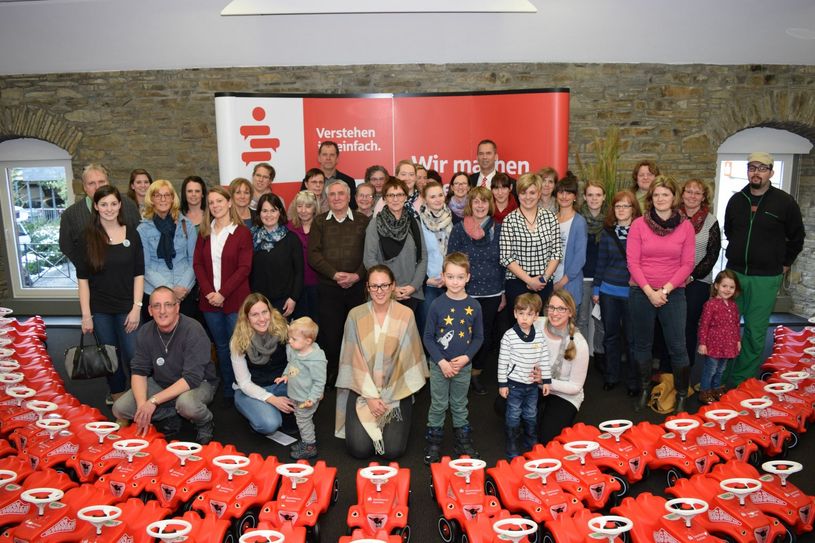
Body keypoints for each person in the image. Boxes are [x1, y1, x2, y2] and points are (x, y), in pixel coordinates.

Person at [723, 152, 804, 387]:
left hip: (766, 278)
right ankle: (722, 376)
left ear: (771, 172)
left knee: (755, 332)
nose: (756, 172)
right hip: (735, 275)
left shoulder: (784, 202)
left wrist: (785, 263)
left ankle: (741, 381)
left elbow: (797, 237)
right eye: (751, 167)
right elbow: (730, 231)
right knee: (727, 329)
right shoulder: (737, 200)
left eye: (762, 168)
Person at [335, 264, 428, 459]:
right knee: (359, 450)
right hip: (362, 389)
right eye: (375, 286)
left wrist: (387, 395)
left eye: (384, 285)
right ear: (367, 287)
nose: (380, 291)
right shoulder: (355, 315)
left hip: (396, 389)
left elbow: (408, 358)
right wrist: (370, 397)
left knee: (392, 451)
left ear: (393, 286)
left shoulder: (406, 314)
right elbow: (351, 359)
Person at [112, 286, 218, 443]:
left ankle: (205, 422)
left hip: (199, 383)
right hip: (163, 382)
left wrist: (153, 401)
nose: (162, 311)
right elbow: (139, 371)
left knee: (187, 404)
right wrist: (143, 405)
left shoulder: (193, 329)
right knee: (119, 408)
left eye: (168, 304)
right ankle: (171, 412)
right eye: (157, 306)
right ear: (150, 310)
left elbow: (191, 378)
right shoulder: (145, 331)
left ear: (177, 307)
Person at [627, 175, 695, 414]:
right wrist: (649, 292)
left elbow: (687, 264)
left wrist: (664, 290)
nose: (660, 199)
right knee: (642, 345)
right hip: (641, 291)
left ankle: (682, 395)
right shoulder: (638, 225)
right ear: (650, 198)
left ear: (673, 197)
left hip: (673, 293)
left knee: (678, 347)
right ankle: (646, 388)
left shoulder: (685, 226)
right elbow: (633, 262)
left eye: (665, 194)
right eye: (656, 195)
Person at [77, 185, 144, 405]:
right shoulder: (87, 238)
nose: (109, 209)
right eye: (104, 204)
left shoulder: (132, 234)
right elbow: (83, 281)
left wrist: (136, 307)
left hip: (128, 308)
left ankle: (139, 400)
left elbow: (139, 274)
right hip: (101, 310)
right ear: (95, 206)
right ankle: (118, 401)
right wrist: (86, 315)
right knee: (110, 358)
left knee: (135, 355)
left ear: (120, 205)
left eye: (113, 204)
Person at [422, 252, 484, 464]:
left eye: (459, 277)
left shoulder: (474, 306)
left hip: (463, 366)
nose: (455, 282)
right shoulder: (437, 305)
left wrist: (466, 358)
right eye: (450, 276)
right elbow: (428, 338)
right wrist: (441, 362)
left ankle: (463, 440)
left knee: (459, 403)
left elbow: (478, 337)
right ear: (443, 276)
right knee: (438, 404)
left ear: (468, 277)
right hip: (440, 365)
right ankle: (434, 442)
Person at [193, 185, 252, 403]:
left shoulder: (242, 232)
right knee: (220, 346)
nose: (215, 206)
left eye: (219, 201)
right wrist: (210, 292)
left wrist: (223, 294)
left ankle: (243, 387)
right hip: (210, 303)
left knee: (237, 346)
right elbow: (197, 264)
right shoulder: (204, 231)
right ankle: (229, 388)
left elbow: (244, 268)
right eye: (211, 203)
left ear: (229, 203)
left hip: (235, 300)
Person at [308, 179, 369, 383]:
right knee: (331, 335)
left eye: (340, 194)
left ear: (349, 196)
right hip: (329, 289)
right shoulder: (319, 221)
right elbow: (313, 255)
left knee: (358, 335)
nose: (336, 198)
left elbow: (370, 254)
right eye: (332, 194)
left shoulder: (363, 221)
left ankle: (358, 374)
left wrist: (357, 275)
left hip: (357, 288)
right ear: (327, 198)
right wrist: (334, 274)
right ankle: (332, 373)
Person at [448, 186, 505, 395]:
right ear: (470, 205)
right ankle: (460, 374)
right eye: (476, 201)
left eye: (484, 201)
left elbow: (504, 264)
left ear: (489, 204)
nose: (480, 205)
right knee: (463, 335)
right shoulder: (458, 229)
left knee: (484, 336)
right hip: (465, 293)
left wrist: (503, 292)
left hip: (492, 292)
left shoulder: (499, 229)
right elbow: (451, 261)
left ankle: (476, 374)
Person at [592, 191, 641, 394]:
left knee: (632, 339)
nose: (621, 210)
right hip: (608, 291)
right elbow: (601, 262)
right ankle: (611, 376)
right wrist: (596, 288)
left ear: (633, 209)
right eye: (618, 206)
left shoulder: (641, 232)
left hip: (632, 292)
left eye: (626, 206)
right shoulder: (607, 233)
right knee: (610, 336)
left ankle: (633, 382)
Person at [229, 293, 293, 436]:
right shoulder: (238, 341)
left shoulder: (284, 329)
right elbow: (244, 383)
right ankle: (263, 411)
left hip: (281, 385)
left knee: (307, 400)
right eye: (255, 315)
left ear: (270, 312)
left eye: (265, 312)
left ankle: (272, 410)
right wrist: (272, 400)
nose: (262, 319)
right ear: (246, 318)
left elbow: (296, 361)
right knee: (269, 425)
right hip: (250, 390)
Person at [499, 172, 562, 317]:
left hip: (544, 284)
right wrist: (529, 280)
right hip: (517, 283)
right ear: (517, 193)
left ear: (539, 193)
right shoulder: (510, 220)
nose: (528, 197)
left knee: (543, 329)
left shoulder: (550, 217)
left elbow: (556, 252)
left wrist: (543, 279)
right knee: (519, 331)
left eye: (532, 192)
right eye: (523, 192)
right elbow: (506, 257)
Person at [498, 293, 551, 459]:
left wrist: (546, 381)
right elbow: (502, 361)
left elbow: (544, 359)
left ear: (536, 316)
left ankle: (531, 440)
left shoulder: (540, 336)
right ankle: (512, 442)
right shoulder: (509, 336)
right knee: (513, 415)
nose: (524, 318)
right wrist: (502, 384)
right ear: (515, 313)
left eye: (529, 314)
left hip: (532, 386)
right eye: (521, 313)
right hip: (514, 384)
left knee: (531, 414)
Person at [59, 163, 141, 268]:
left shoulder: (129, 205)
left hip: (126, 273)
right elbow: (66, 246)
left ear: (108, 183)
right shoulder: (70, 215)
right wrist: (85, 266)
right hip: (91, 277)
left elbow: (139, 237)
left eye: (101, 182)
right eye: (91, 183)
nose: (97, 187)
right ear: (84, 187)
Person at [137, 180, 197, 320]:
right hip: (155, 293)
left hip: (184, 292)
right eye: (158, 195)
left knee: (186, 336)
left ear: (172, 198)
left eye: (167, 195)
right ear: (151, 199)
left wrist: (182, 288)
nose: (163, 199)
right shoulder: (142, 229)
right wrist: (170, 290)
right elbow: (145, 267)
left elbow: (194, 261)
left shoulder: (187, 225)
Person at [535, 289, 589, 444]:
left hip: (564, 393)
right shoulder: (537, 324)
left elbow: (575, 387)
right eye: (551, 307)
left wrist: (545, 381)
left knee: (547, 439)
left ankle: (542, 416)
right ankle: (536, 415)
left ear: (570, 312)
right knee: (502, 404)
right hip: (535, 385)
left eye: (561, 309)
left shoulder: (579, 343)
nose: (554, 313)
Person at [364, 179, 427, 312]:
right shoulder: (375, 224)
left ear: (405, 197)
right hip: (383, 293)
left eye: (399, 195)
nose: (395, 199)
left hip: (411, 292)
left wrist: (413, 286)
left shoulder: (414, 223)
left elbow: (423, 257)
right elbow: (369, 260)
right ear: (384, 199)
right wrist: (390, 288)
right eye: (391, 195)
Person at [679, 178, 721, 367]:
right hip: (671, 279)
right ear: (682, 194)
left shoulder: (711, 221)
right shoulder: (672, 216)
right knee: (668, 326)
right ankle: (665, 370)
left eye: (697, 193)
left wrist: (692, 275)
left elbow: (712, 254)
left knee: (687, 326)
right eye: (689, 191)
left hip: (697, 281)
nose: (692, 196)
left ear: (704, 197)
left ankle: (685, 370)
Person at [275, 317, 327, 459]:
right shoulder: (296, 351)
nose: (289, 341)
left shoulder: (316, 360)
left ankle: (310, 446)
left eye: (294, 339)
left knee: (303, 421)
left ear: (308, 341)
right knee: (300, 419)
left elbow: (319, 382)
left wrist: (312, 398)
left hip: (307, 398)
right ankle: (306, 441)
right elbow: (291, 364)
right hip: (297, 395)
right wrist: (285, 375)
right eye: (290, 338)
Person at [250, 193, 303, 318]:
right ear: (259, 213)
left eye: (273, 210)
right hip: (258, 302)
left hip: (284, 302)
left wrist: (293, 298)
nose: (269, 215)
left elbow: (299, 272)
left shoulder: (292, 239)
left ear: (280, 212)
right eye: (264, 211)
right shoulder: (251, 238)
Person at [697, 271, 742, 404]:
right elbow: (704, 325)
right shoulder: (711, 304)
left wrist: (737, 340)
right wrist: (702, 343)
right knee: (710, 369)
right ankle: (704, 391)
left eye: (731, 287)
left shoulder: (733, 306)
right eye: (724, 286)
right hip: (713, 344)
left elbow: (736, 324)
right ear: (716, 286)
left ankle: (716, 389)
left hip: (728, 344)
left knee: (721, 369)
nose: (728, 290)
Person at [577, 179, 607, 370]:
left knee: (602, 321)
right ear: (585, 197)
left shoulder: (610, 221)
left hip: (604, 279)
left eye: (598, 195)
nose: (594, 198)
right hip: (582, 276)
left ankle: (600, 356)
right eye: (590, 195)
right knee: (582, 320)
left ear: (604, 197)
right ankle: (581, 359)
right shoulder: (578, 219)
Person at [417, 180, 453, 335]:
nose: (438, 199)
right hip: (428, 284)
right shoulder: (418, 223)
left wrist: (449, 278)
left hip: (452, 284)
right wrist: (426, 280)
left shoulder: (454, 220)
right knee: (428, 329)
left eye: (440, 195)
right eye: (432, 197)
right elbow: (415, 256)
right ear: (424, 199)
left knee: (450, 330)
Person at [552, 174, 588, 315]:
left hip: (569, 284)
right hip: (550, 283)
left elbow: (580, 258)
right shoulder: (550, 219)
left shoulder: (579, 222)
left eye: (569, 193)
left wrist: (561, 283)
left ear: (575, 196)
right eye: (561, 192)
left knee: (568, 330)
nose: (564, 196)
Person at [287, 190, 320, 321]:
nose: (303, 210)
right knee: (300, 325)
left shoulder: (322, 226)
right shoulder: (288, 227)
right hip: (295, 287)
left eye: (308, 206)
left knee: (318, 323)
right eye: (300, 206)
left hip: (318, 285)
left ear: (314, 208)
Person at [317, 140, 358, 208]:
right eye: (324, 155)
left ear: (337, 159)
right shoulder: (309, 180)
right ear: (319, 158)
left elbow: (352, 208)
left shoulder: (349, 181)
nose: (328, 158)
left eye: (332, 155)